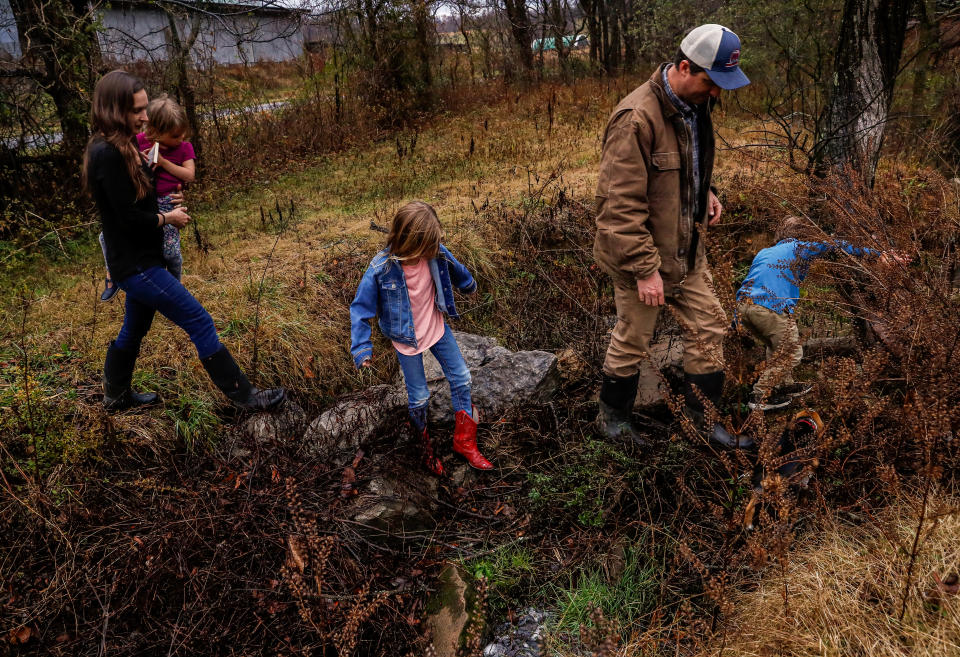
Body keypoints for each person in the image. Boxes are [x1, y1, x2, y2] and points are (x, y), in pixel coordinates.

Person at [83, 70, 285, 411]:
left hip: (145, 257)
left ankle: (115, 398)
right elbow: (127, 219)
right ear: (113, 109)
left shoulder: (126, 145)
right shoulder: (107, 154)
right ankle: (245, 396)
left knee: (135, 328)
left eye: (145, 108)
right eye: (137, 110)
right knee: (199, 320)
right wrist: (168, 218)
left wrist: (168, 200)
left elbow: (138, 197)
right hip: (136, 265)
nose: (145, 117)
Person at [593, 24, 752, 449]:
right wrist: (645, 270)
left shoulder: (695, 105)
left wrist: (705, 193)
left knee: (710, 328)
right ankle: (614, 424)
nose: (717, 93)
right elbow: (618, 207)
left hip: (687, 252)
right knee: (633, 338)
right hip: (640, 258)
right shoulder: (636, 118)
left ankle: (703, 425)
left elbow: (683, 167)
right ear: (684, 67)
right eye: (712, 82)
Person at [349, 201, 492, 476]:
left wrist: (468, 285)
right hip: (407, 342)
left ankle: (464, 442)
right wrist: (362, 349)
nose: (434, 248)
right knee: (419, 397)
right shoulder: (381, 268)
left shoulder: (435, 253)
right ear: (412, 242)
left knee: (461, 377)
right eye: (428, 243)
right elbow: (360, 308)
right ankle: (425, 449)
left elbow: (455, 267)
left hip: (436, 328)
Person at [736, 216, 901, 411]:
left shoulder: (764, 252)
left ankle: (783, 385)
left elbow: (749, 280)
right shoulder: (801, 246)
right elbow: (835, 245)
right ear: (805, 234)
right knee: (791, 353)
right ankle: (761, 395)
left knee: (777, 345)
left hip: (744, 307)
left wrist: (734, 322)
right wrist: (877, 254)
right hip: (770, 306)